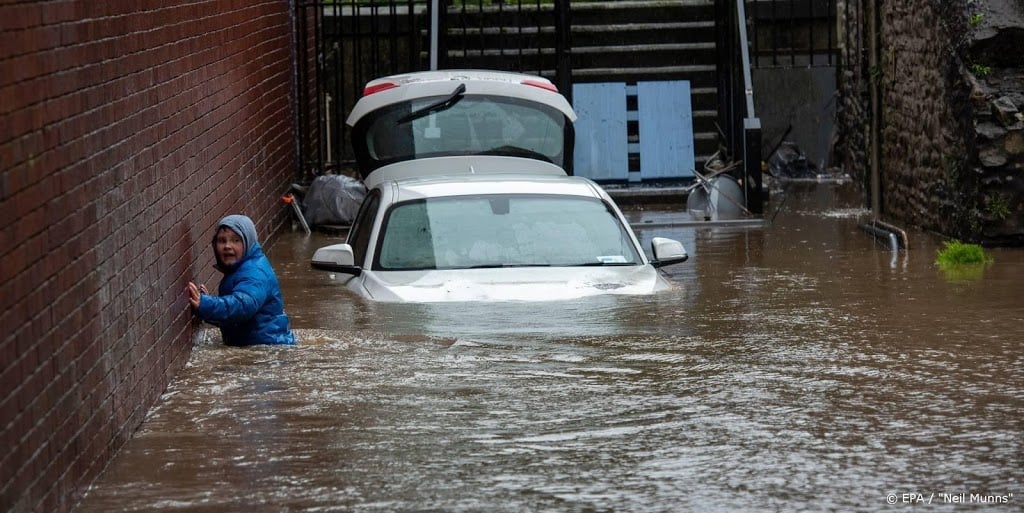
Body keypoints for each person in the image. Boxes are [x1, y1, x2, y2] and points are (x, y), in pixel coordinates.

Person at [187, 214, 296, 346]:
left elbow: (242, 307)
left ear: (248, 243)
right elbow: (235, 318)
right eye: (222, 241)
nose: (227, 246)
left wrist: (205, 304)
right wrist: (207, 307)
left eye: (235, 240)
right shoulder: (240, 269)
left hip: (268, 349)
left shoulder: (255, 273)